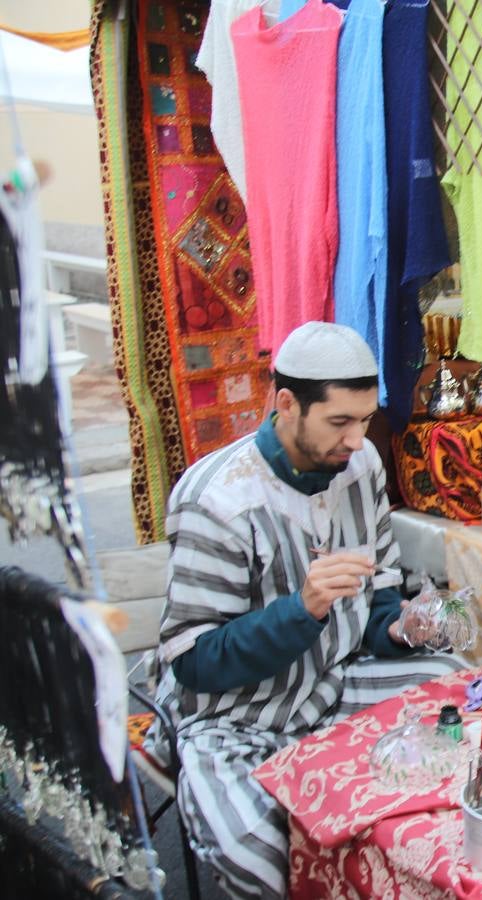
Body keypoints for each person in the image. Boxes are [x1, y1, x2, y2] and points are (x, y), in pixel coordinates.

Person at [150, 322, 463, 899]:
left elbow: (379, 596)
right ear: (286, 404)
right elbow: (194, 663)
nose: (355, 438)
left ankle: (413, 867)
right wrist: (303, 608)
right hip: (234, 717)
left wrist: (400, 625)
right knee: (258, 848)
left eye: (365, 419)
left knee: (454, 686)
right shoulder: (217, 499)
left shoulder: (362, 464)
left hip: (334, 682)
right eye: (339, 421)